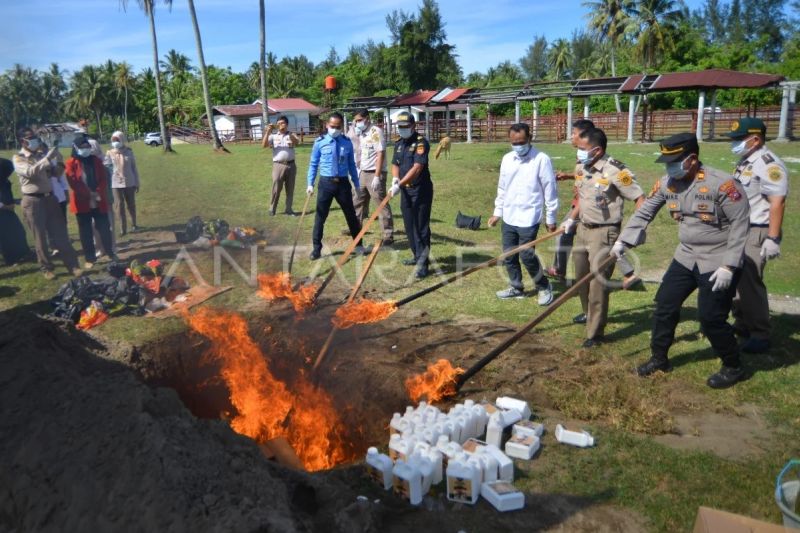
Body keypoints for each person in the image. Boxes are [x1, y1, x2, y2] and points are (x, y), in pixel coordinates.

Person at [615, 133, 750, 389]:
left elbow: (741, 225)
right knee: (664, 306)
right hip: (686, 256)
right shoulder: (668, 183)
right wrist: (624, 240)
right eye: (667, 162)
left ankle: (733, 366)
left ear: (692, 159)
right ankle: (659, 359)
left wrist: (729, 266)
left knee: (711, 318)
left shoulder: (722, 184)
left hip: (717, 259)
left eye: (675, 161)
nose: (669, 167)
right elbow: (645, 211)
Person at [562, 127, 645, 347]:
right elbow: (582, 196)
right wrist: (571, 219)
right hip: (582, 229)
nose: (578, 152)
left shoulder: (616, 170)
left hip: (605, 233)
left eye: (582, 148)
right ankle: (588, 314)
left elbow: (640, 199)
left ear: (597, 150)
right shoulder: (581, 166)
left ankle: (595, 334)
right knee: (581, 278)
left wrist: (630, 234)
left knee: (598, 284)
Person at [726, 118, 788, 354]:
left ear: (755, 139)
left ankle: (760, 334)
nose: (734, 143)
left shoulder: (767, 164)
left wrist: (772, 238)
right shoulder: (746, 161)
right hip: (742, 228)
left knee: (750, 282)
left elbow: (777, 201)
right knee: (737, 279)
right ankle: (742, 323)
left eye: (738, 139)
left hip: (757, 229)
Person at [488, 123, 558, 305]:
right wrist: (497, 212)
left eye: (521, 142)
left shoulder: (541, 159)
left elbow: (550, 190)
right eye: (514, 142)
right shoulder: (507, 159)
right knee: (509, 255)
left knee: (527, 255)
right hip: (510, 215)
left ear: (529, 138)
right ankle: (516, 287)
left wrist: (551, 218)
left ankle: (543, 286)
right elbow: (502, 188)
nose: (518, 146)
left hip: (530, 216)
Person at [12, 127, 81, 279]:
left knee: (60, 234)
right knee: (40, 237)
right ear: (22, 141)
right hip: (32, 200)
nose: (34, 139)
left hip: (50, 198)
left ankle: (73, 265)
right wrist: (47, 159)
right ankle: (46, 268)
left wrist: (59, 160)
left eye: (35, 136)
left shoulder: (41, 154)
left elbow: (55, 174)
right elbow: (30, 172)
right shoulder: (19, 158)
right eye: (30, 137)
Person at [306, 112, 365, 260]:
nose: (335, 129)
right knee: (320, 217)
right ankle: (316, 249)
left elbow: (352, 164)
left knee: (351, 216)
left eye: (338, 127)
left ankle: (358, 245)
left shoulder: (346, 142)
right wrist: (310, 184)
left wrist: (356, 185)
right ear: (327, 125)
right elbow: (313, 164)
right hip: (326, 183)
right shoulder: (319, 142)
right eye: (332, 126)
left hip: (343, 184)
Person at [546, 119, 594, 281]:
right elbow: (584, 175)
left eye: (573, 133)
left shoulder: (591, 153)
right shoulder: (583, 153)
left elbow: (594, 179)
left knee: (567, 233)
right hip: (579, 202)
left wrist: (573, 216)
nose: (571, 136)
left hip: (586, 204)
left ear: (584, 135)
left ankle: (559, 269)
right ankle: (559, 269)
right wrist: (568, 176)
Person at [389, 111, 434, 279]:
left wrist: (399, 184)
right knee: (409, 226)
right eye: (400, 127)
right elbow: (395, 163)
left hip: (420, 190)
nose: (402, 130)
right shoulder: (399, 143)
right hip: (405, 191)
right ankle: (416, 256)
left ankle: (423, 264)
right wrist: (395, 179)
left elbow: (417, 168)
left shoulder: (421, 143)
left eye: (405, 127)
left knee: (421, 228)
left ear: (413, 126)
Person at [65, 134, 117, 269]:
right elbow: (73, 183)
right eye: (82, 147)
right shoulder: (71, 163)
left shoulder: (96, 161)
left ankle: (110, 253)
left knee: (104, 227)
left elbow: (103, 179)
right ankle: (90, 258)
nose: (86, 149)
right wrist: (89, 194)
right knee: (85, 232)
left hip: (99, 200)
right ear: (76, 148)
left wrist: (97, 192)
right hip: (82, 202)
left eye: (87, 147)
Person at [352, 108, 394, 246]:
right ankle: (356, 232)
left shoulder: (375, 132)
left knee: (380, 204)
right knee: (357, 202)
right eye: (356, 120)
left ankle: (388, 235)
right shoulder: (362, 133)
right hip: (363, 173)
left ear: (367, 118)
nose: (357, 123)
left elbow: (380, 153)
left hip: (375, 173)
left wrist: (377, 176)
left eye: (359, 120)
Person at [104, 130, 140, 235]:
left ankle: (134, 224)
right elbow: (106, 167)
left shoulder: (129, 152)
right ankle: (122, 229)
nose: (115, 142)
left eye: (117, 140)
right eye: (114, 140)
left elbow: (134, 168)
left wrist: (137, 182)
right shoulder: (109, 153)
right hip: (115, 183)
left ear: (122, 140)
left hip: (129, 182)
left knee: (131, 204)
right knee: (119, 206)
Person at [262, 116, 299, 216]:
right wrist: (268, 132)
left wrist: (289, 135)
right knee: (276, 188)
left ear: (286, 124)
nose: (280, 125)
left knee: (290, 189)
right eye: (278, 123)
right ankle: (272, 209)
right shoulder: (273, 136)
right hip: (278, 165)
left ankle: (289, 209)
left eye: (282, 123)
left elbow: (297, 143)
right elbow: (264, 145)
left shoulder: (292, 134)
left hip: (291, 165)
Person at [0, 158, 31, 265]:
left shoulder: (4, 180)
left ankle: (24, 252)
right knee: (5, 237)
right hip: (3, 211)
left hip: (8, 211)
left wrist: (15, 201)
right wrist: (5, 206)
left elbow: (6, 196)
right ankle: (11, 259)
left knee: (19, 231)